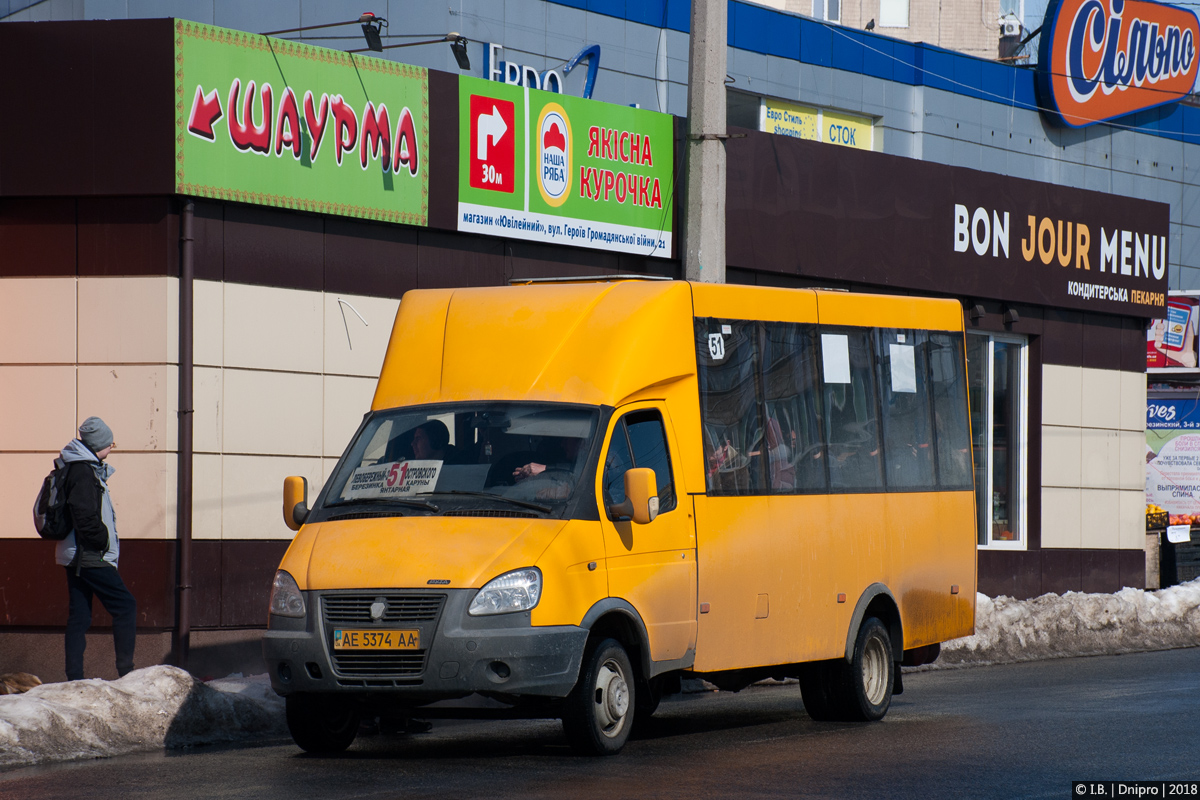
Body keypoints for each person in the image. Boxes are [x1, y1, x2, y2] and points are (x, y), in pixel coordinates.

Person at [56, 417, 137, 681]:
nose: (112, 447)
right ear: (99, 445)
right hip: (90, 555)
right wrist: (102, 540)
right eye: (110, 443)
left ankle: (74, 677)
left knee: (79, 617)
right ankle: (126, 673)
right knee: (125, 606)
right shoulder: (82, 471)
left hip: (77, 555)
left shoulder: (81, 467)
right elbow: (84, 515)